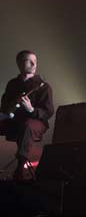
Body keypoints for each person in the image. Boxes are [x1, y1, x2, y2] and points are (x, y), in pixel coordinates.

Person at [0, 50, 54, 180]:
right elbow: (4, 106)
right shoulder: (12, 84)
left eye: (35, 61)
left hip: (35, 123)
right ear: (19, 63)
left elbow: (48, 112)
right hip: (14, 122)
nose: (33, 63)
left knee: (26, 126)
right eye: (28, 61)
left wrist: (31, 109)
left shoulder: (43, 86)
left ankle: (20, 169)